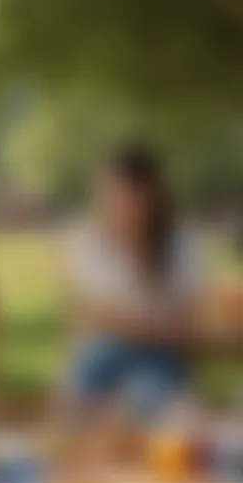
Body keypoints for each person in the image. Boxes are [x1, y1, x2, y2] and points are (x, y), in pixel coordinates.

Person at [65, 142, 207, 415]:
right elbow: (84, 321)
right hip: (101, 355)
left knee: (143, 400)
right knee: (76, 399)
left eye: (123, 196)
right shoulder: (87, 242)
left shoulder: (181, 246)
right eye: (107, 195)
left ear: (149, 197)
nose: (112, 205)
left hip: (161, 360)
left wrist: (139, 257)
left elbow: (187, 331)